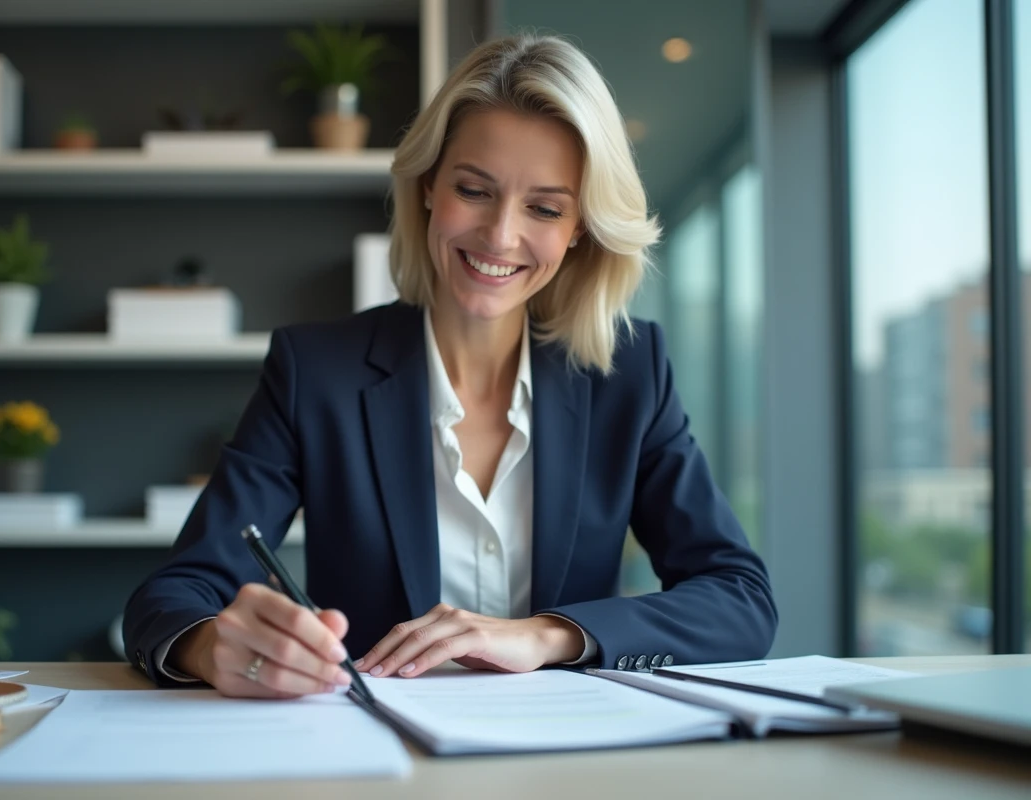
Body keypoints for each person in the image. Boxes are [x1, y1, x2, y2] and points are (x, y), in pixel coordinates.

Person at [123, 33, 777, 699]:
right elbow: (175, 594)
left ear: (579, 226)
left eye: (545, 208)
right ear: (430, 184)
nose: (499, 236)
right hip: (381, 759)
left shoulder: (631, 373)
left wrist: (547, 635)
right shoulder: (316, 371)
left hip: (571, 756)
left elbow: (740, 599)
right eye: (475, 189)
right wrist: (213, 646)